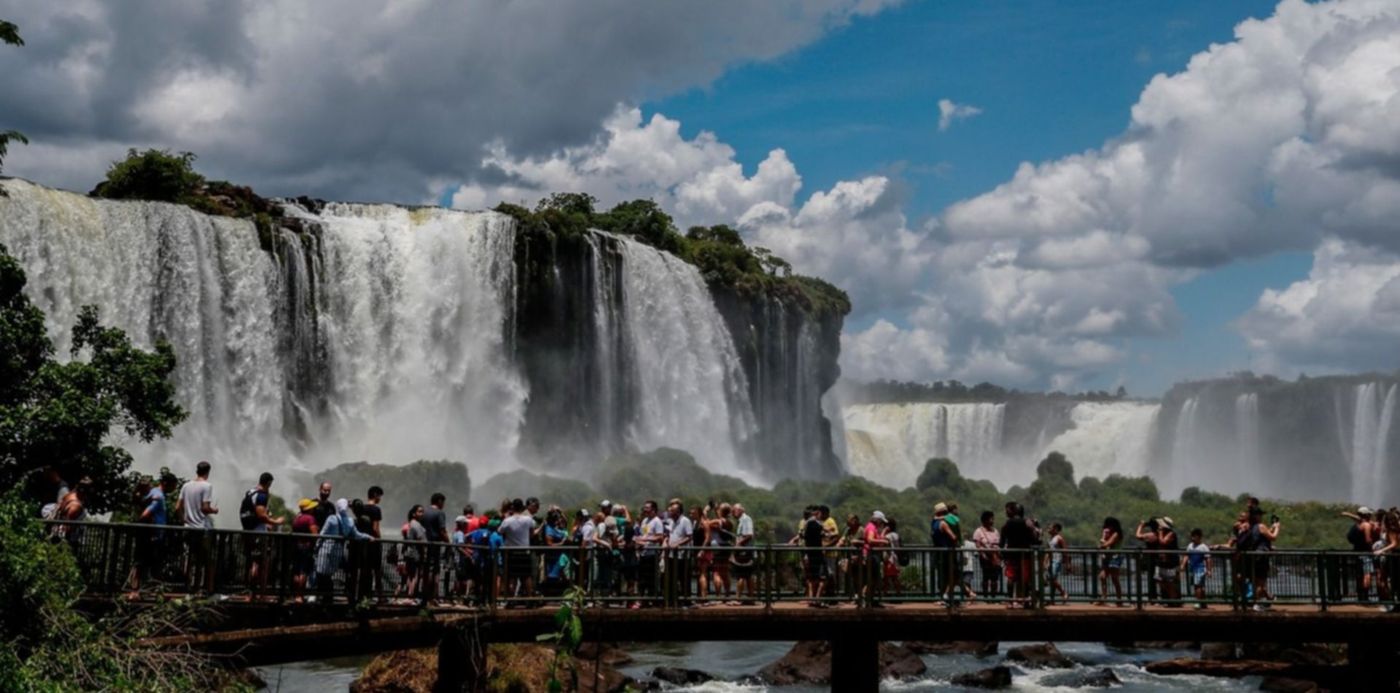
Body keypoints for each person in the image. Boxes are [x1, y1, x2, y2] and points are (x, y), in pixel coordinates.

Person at [315, 498, 373, 600]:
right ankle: (328, 597)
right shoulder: (350, 521)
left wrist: (316, 547)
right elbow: (357, 535)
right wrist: (368, 537)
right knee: (329, 575)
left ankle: (325, 597)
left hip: (326, 548)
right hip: (338, 550)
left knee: (322, 574)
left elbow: (322, 534)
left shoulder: (331, 518)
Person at [239, 472, 284, 600]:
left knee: (251, 562)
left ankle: (250, 594)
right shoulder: (262, 495)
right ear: (269, 482)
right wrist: (276, 522)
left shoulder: (250, 492)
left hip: (247, 531)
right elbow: (261, 515)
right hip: (258, 533)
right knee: (260, 563)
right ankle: (258, 595)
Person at [175, 461, 218, 592]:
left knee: (189, 558)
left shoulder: (186, 485)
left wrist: (184, 520)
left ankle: (188, 587)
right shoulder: (207, 486)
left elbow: (177, 507)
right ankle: (205, 590)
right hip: (201, 528)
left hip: (188, 528)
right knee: (206, 559)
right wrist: (214, 510)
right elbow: (204, 508)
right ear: (208, 472)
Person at [125, 476, 168, 600]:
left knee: (144, 562)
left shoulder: (143, 498)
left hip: (146, 534)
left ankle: (141, 590)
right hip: (149, 534)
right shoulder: (151, 498)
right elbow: (145, 515)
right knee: (144, 562)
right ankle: (139, 591)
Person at [498, 498, 536, 603]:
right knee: (527, 576)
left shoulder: (507, 521)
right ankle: (530, 599)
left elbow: (499, 531)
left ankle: (510, 600)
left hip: (512, 552)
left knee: (512, 577)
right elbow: (532, 533)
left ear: (512, 507)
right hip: (524, 551)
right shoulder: (528, 520)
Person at [999, 502, 1037, 609]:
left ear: (1013, 511)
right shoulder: (1027, 523)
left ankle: (1010, 601)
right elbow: (1034, 539)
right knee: (1025, 579)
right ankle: (1025, 601)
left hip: (1012, 555)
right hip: (1025, 555)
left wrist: (1003, 554)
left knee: (1011, 578)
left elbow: (1001, 543)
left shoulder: (1007, 524)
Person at [1241, 507, 1280, 610]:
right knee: (1261, 583)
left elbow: (1262, 536)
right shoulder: (1260, 526)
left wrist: (1271, 528)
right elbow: (1273, 537)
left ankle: (1258, 602)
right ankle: (1257, 604)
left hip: (1254, 556)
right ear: (1256, 516)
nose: (1261, 517)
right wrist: (1277, 528)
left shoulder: (1251, 527)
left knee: (1256, 582)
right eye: (1260, 515)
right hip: (1262, 557)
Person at [353, 486, 385, 603]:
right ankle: (380, 596)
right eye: (380, 496)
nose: (380, 499)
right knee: (376, 569)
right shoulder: (376, 510)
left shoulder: (362, 508)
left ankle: (360, 594)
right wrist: (379, 540)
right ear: (376, 495)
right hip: (373, 543)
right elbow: (375, 528)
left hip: (361, 542)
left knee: (362, 569)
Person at [420, 492, 450, 605]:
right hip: (435, 545)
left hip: (424, 545)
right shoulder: (440, 513)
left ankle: (424, 595)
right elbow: (442, 531)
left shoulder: (424, 513)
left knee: (426, 570)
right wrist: (448, 542)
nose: (444, 504)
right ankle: (433, 596)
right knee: (435, 571)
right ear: (439, 501)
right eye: (443, 502)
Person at [1344, 507, 1378, 601]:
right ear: (1366, 515)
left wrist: (1347, 514)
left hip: (1357, 552)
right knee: (1367, 575)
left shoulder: (1357, 525)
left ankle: (1360, 597)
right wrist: (1373, 548)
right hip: (1365, 553)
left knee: (1359, 575)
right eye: (1369, 514)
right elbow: (1368, 540)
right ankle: (1365, 598)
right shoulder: (1366, 525)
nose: (1371, 516)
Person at [931, 502, 961, 604]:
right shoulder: (943, 523)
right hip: (947, 553)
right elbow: (953, 537)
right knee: (953, 575)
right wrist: (956, 540)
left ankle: (943, 597)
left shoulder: (933, 523)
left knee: (943, 576)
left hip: (938, 552)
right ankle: (946, 596)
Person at [291, 499, 320, 602]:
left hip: (296, 547)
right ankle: (300, 595)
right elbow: (315, 535)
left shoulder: (297, 518)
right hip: (306, 548)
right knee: (304, 571)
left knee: (296, 571)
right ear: (308, 509)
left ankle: (295, 595)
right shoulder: (310, 518)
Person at [637, 500, 666, 605]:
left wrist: (645, 540)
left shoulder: (657, 521)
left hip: (652, 554)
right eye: (644, 508)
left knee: (651, 578)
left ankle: (653, 599)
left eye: (647, 508)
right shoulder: (645, 520)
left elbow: (660, 536)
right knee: (642, 577)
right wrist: (639, 540)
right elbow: (644, 534)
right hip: (643, 553)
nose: (645, 510)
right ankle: (644, 599)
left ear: (653, 510)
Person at [666, 501, 694, 604]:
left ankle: (686, 600)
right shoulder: (671, 521)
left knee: (684, 578)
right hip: (671, 554)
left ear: (678, 512)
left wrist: (678, 544)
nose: (670, 512)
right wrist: (667, 542)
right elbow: (669, 534)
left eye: (672, 511)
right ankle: (673, 600)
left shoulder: (685, 521)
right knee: (672, 578)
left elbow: (689, 536)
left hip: (683, 555)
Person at [400, 504, 427, 603]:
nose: (422, 513)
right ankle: (411, 596)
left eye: (422, 511)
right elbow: (421, 540)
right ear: (414, 513)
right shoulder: (417, 525)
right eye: (420, 511)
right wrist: (424, 553)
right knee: (415, 575)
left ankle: (408, 594)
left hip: (410, 553)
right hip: (416, 553)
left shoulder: (411, 523)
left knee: (410, 575)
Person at [730, 503, 756, 605]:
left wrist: (738, 544)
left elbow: (749, 535)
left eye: (734, 510)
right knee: (748, 575)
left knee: (741, 575)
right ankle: (751, 598)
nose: (733, 513)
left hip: (745, 552)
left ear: (740, 510)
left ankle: (738, 599)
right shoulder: (742, 520)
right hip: (745, 551)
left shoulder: (746, 519)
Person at [972, 511, 1002, 597]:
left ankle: (994, 596)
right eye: (990, 519)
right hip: (985, 558)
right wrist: (983, 554)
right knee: (986, 577)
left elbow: (998, 543)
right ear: (985, 520)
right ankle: (985, 596)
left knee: (995, 578)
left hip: (995, 557)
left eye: (993, 518)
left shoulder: (995, 531)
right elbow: (977, 545)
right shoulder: (978, 531)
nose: (992, 521)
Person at [802, 507, 827, 606]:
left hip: (810, 553)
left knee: (812, 578)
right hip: (817, 554)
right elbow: (825, 534)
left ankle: (813, 599)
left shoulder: (806, 524)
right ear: (818, 513)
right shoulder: (816, 524)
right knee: (824, 577)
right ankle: (817, 599)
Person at [1097, 516, 1124, 606]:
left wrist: (1103, 542)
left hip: (1115, 557)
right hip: (1108, 556)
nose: (1108, 527)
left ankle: (1119, 600)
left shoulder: (1116, 534)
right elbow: (1104, 543)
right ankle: (1103, 598)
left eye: (1110, 526)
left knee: (1114, 578)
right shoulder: (1107, 532)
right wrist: (1103, 536)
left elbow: (1108, 544)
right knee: (1102, 577)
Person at [1181, 528, 1212, 609]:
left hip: (1201, 568)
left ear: (1199, 537)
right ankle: (1203, 603)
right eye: (1192, 536)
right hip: (1193, 568)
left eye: (1195, 537)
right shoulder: (1190, 545)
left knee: (1197, 585)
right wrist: (1183, 565)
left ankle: (1198, 602)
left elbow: (1208, 559)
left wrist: (1208, 570)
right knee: (1200, 586)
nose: (1193, 538)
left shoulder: (1204, 547)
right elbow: (1187, 555)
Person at [1135, 518, 1162, 604]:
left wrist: (1141, 526)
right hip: (1159, 559)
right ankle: (1160, 597)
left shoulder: (1151, 535)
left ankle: (1152, 598)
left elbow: (1138, 535)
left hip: (1151, 559)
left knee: (1151, 579)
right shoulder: (1160, 534)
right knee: (1159, 578)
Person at [1156, 518, 1182, 606]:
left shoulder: (1171, 534)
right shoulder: (1163, 533)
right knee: (1162, 581)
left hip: (1171, 562)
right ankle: (1168, 600)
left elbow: (1163, 542)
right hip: (1163, 562)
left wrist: (1159, 532)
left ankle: (1174, 602)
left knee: (1170, 583)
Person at [1044, 523, 1068, 604]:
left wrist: (1067, 563)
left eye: (1050, 528)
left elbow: (1065, 550)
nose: (1049, 529)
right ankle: (1052, 599)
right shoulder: (1050, 539)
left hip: (1057, 560)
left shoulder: (1059, 538)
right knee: (1051, 579)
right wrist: (1045, 561)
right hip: (1051, 561)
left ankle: (1063, 592)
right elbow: (1048, 551)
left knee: (1052, 579)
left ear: (1056, 529)